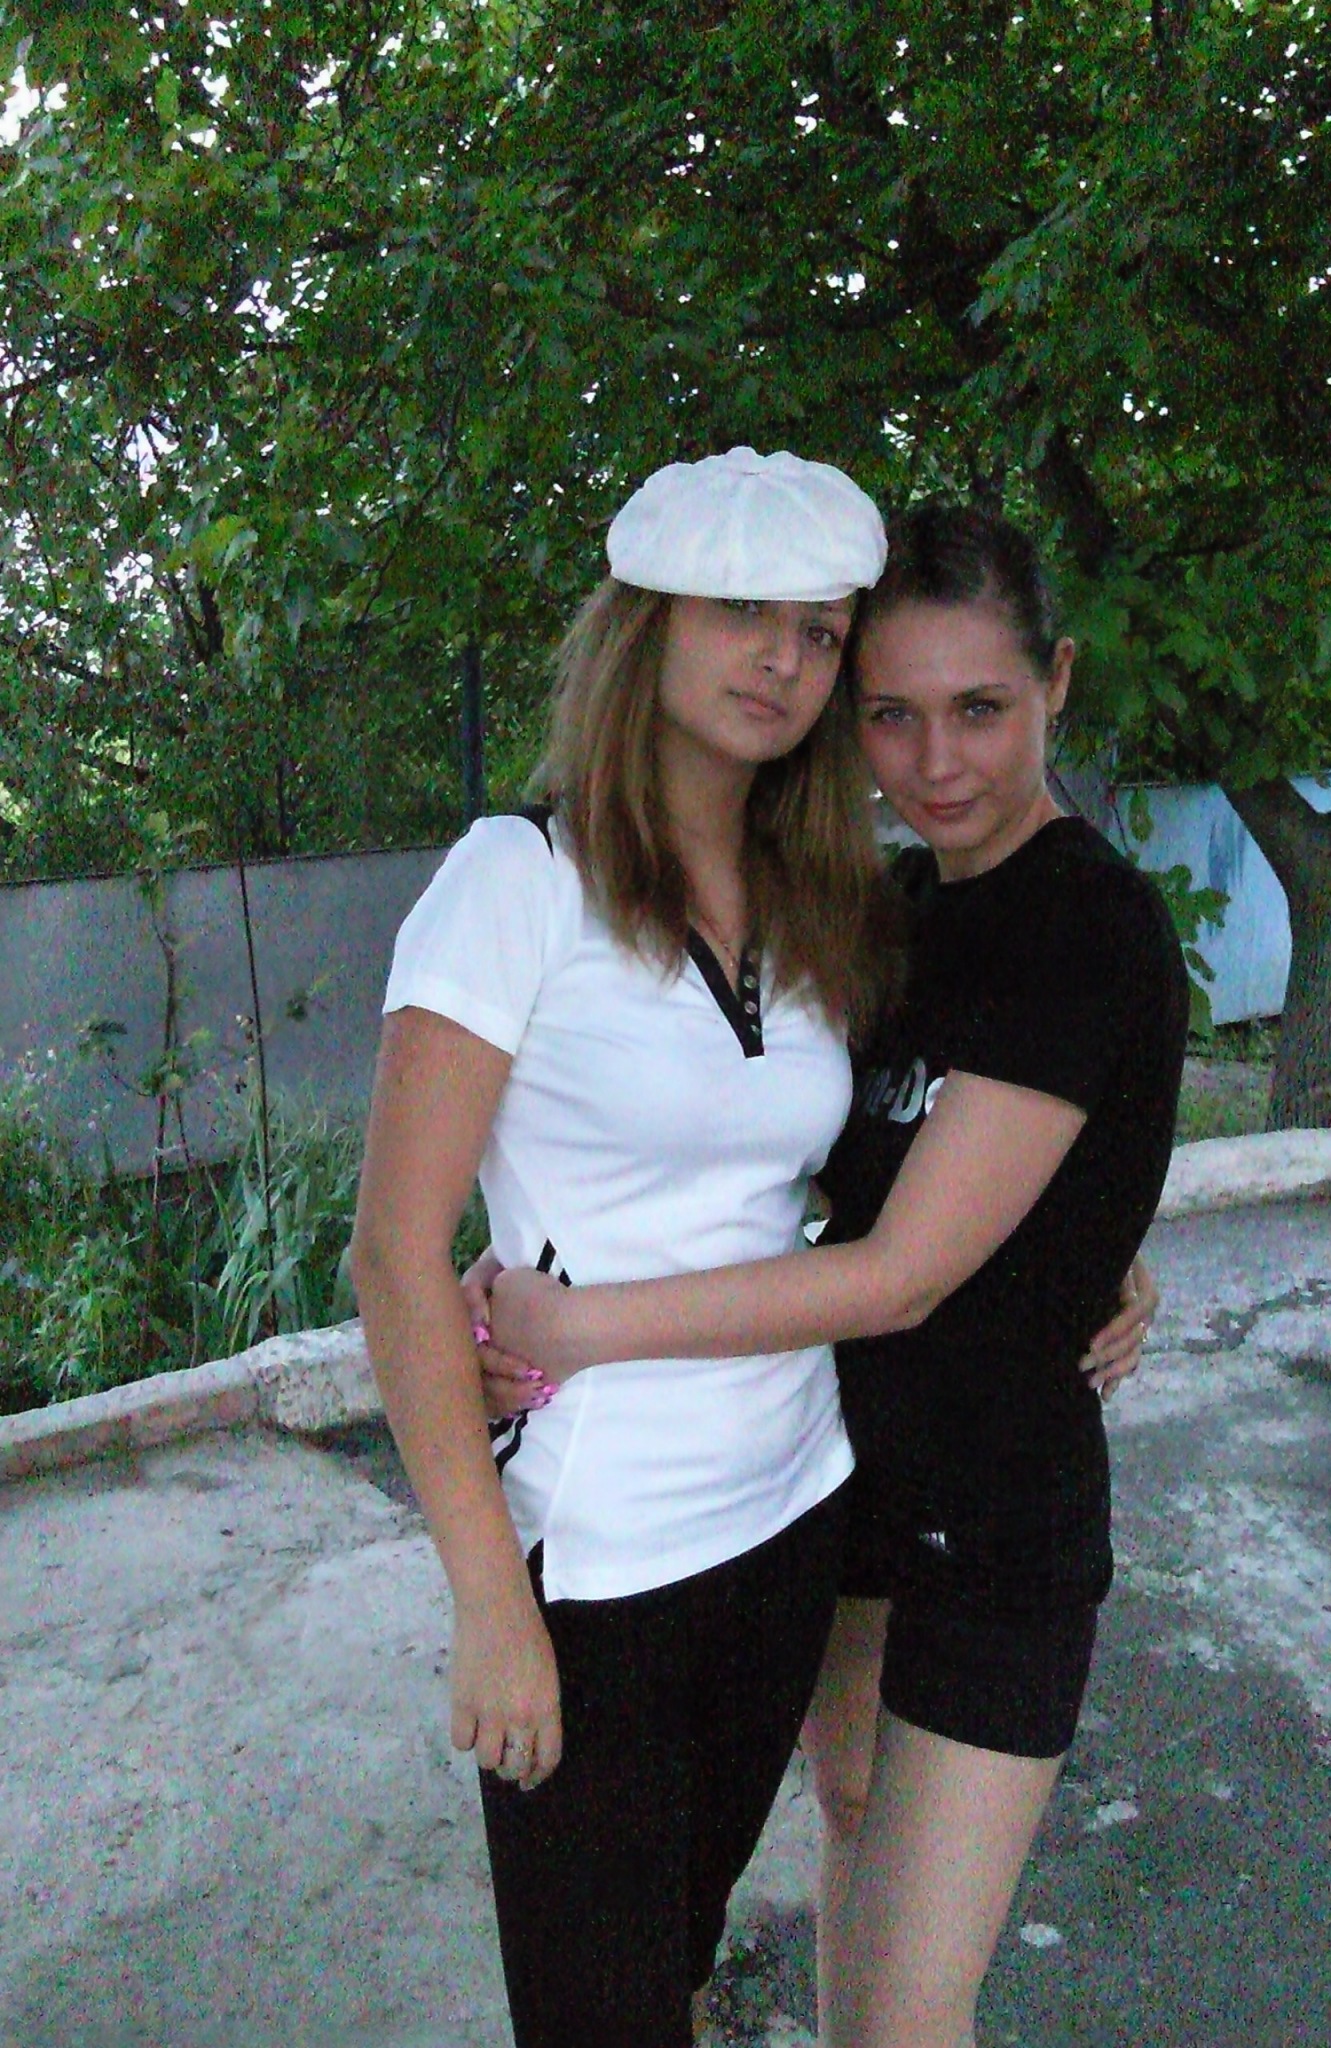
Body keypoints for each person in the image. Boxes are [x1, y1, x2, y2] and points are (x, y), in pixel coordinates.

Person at [479, 501, 1190, 2048]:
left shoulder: (1086, 921)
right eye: (891, 715)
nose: (937, 762)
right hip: (845, 1498)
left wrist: (577, 1324)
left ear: (1058, 682)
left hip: (997, 1538)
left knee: (905, 2019)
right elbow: (778, 1149)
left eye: (980, 709)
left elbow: (904, 1274)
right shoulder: (894, 911)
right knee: (847, 1836)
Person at [351, 446, 902, 2048]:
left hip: (793, 1511)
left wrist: (1096, 1253)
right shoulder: (514, 882)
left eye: (818, 632)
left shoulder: (819, 893)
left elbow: (898, 1164)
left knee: (673, 1956)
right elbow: (394, 1254)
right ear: (644, 624)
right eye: (743, 614)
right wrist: (487, 1602)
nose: (784, 661)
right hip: (597, 1567)